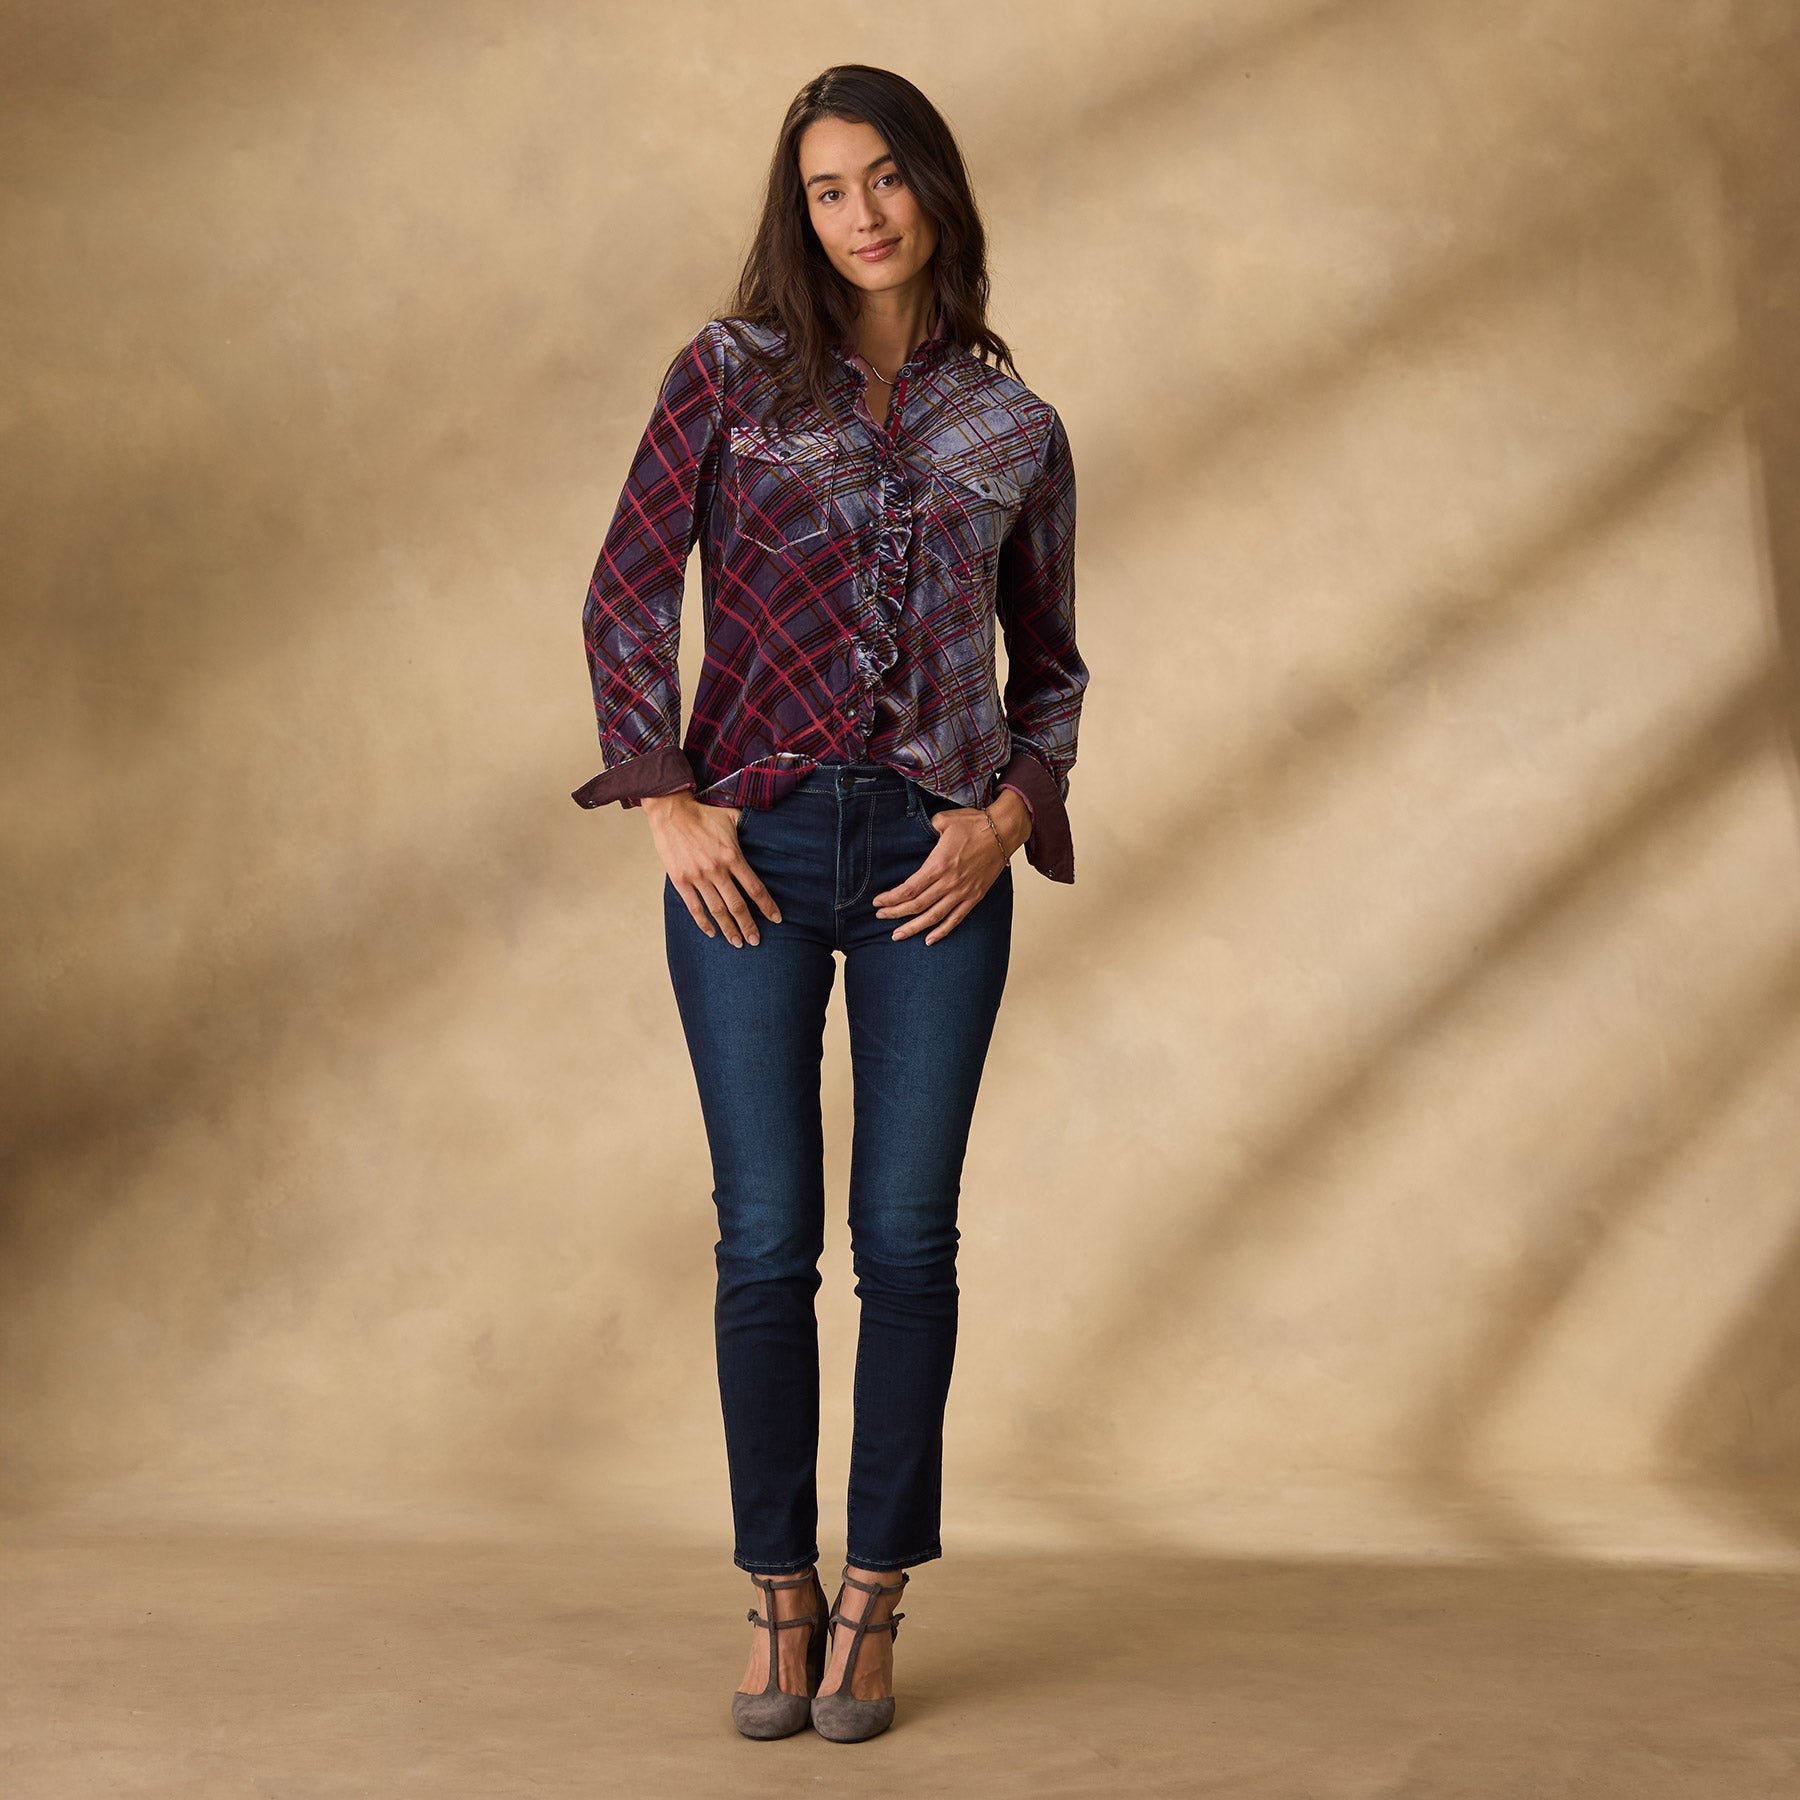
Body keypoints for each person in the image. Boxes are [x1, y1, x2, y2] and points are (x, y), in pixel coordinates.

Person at [571, 63, 1089, 1742]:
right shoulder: (728, 377)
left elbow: (1051, 670)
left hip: (939, 865)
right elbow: (626, 594)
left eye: (884, 177)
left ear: (935, 184)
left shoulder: (1014, 430)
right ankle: (776, 1590)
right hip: (759, 858)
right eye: (826, 188)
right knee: (765, 1238)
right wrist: (666, 800)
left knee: (909, 1239)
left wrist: (1006, 818)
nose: (862, 213)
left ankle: (875, 1593)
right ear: (798, 213)